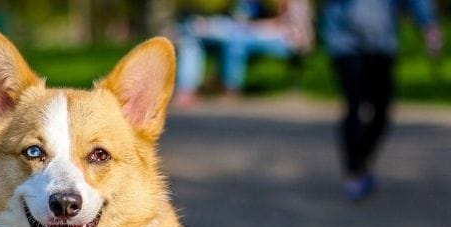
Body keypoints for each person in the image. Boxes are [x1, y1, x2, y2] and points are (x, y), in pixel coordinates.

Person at [322, 0, 443, 201]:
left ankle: (362, 162)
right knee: (354, 105)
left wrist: (429, 25)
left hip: (382, 43)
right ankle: (354, 172)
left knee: (382, 110)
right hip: (345, 42)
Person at [173, 0, 314, 106]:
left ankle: (230, 88)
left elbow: (288, 25)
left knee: (235, 41)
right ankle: (186, 90)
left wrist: (249, 27)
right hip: (250, 32)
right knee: (190, 38)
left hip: (288, 39)